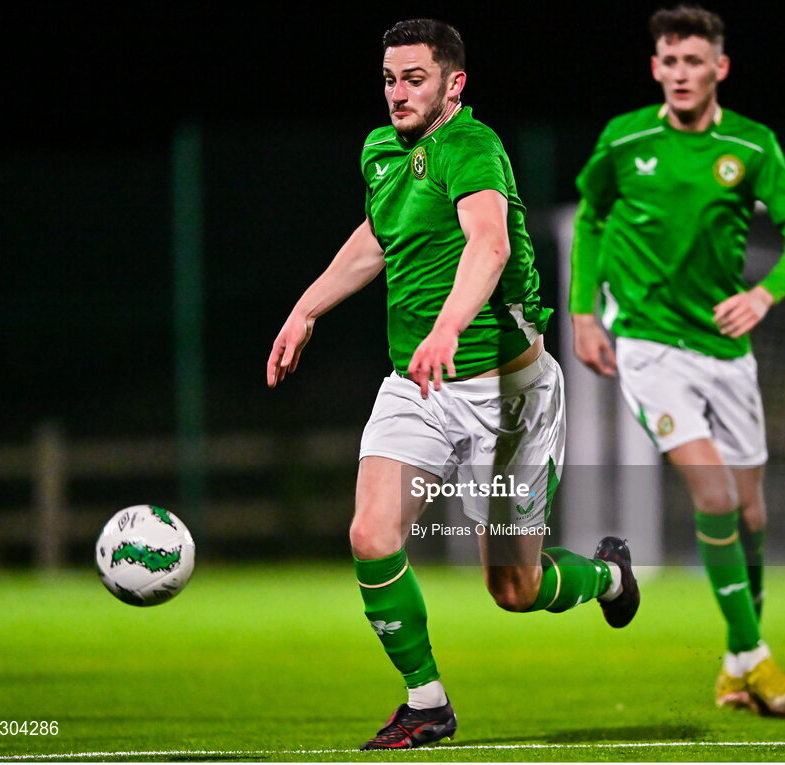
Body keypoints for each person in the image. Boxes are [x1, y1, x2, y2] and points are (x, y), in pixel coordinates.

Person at [267, 18, 640, 750]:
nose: (397, 94)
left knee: (514, 589)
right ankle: (426, 702)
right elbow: (378, 237)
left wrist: (447, 325)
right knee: (371, 534)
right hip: (418, 386)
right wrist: (305, 308)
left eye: (414, 79)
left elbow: (490, 242)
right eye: (388, 79)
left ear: (453, 84)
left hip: (510, 395)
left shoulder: (473, 147)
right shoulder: (381, 151)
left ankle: (608, 578)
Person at [570, 5, 785, 717]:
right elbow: (590, 219)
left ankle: (736, 661)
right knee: (713, 495)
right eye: (669, 61)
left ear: (720, 68)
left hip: (726, 351)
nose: (680, 73)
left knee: (750, 510)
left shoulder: (752, 144)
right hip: (650, 347)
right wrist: (585, 312)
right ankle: (757, 658)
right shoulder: (626, 139)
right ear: (655, 68)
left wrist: (765, 295)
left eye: (694, 61)